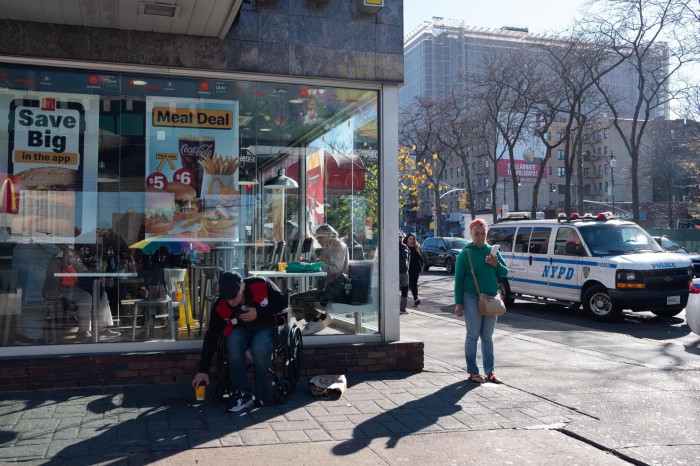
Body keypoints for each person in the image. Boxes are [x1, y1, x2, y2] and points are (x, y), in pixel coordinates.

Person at [192, 271, 287, 411]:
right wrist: (203, 370)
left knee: (259, 347)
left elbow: (283, 302)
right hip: (241, 329)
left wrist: (259, 312)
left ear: (242, 287)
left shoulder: (260, 284)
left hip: (266, 326)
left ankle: (261, 396)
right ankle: (244, 395)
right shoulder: (220, 304)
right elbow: (212, 335)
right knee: (233, 341)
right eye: (227, 298)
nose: (231, 301)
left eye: (234, 296)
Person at [454, 219, 508, 384]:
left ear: (486, 234)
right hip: (472, 296)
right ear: (471, 234)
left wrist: (495, 263)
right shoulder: (466, 253)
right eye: (476, 234)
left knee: (487, 337)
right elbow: (458, 280)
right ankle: (472, 371)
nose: (479, 237)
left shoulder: (492, 251)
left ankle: (489, 372)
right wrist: (459, 303)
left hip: (491, 298)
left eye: (482, 233)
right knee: (472, 335)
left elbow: (504, 272)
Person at [289, 223, 349, 335]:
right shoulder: (327, 247)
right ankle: (318, 318)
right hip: (326, 286)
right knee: (294, 298)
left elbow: (336, 268)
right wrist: (309, 263)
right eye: (317, 237)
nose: (318, 240)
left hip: (335, 289)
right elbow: (320, 264)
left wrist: (315, 266)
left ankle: (318, 319)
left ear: (330, 235)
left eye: (320, 237)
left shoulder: (339, 246)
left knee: (298, 299)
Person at [404, 233, 424, 306]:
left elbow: (421, 258)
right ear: (407, 239)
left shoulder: (417, 247)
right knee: (406, 284)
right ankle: (404, 301)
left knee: (414, 284)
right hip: (406, 268)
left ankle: (416, 298)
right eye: (410, 239)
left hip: (416, 268)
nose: (411, 241)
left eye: (413, 239)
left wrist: (422, 267)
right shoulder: (404, 246)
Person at [399, 230, 410, 314]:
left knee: (405, 290)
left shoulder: (405, 247)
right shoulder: (392, 247)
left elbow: (408, 258)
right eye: (398, 237)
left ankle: (403, 307)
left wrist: (407, 267)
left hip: (404, 272)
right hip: (395, 272)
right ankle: (394, 307)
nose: (399, 239)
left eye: (401, 237)